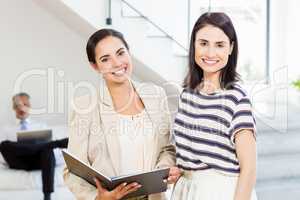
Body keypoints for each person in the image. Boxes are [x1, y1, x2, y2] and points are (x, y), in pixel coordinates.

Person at [63, 28, 182, 200]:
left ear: (129, 52)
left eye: (120, 53)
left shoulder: (156, 95)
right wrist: (97, 197)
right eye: (105, 59)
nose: (117, 63)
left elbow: (167, 148)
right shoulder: (84, 106)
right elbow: (73, 171)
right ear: (95, 66)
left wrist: (162, 172)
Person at [171, 12, 257, 200]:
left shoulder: (236, 99)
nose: (210, 53)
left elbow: (249, 169)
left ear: (230, 48)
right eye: (203, 43)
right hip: (185, 191)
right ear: (194, 45)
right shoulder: (187, 94)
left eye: (219, 45)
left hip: (220, 192)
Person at [0, 92, 68, 200]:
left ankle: (47, 196)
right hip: (18, 162)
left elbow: (53, 156)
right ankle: (55, 143)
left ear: (30, 107)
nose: (21, 108)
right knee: (4, 145)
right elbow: (4, 155)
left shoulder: (41, 126)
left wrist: (37, 148)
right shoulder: (6, 129)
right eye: (18, 106)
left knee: (47, 150)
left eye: (25, 105)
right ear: (13, 108)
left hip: (39, 161)